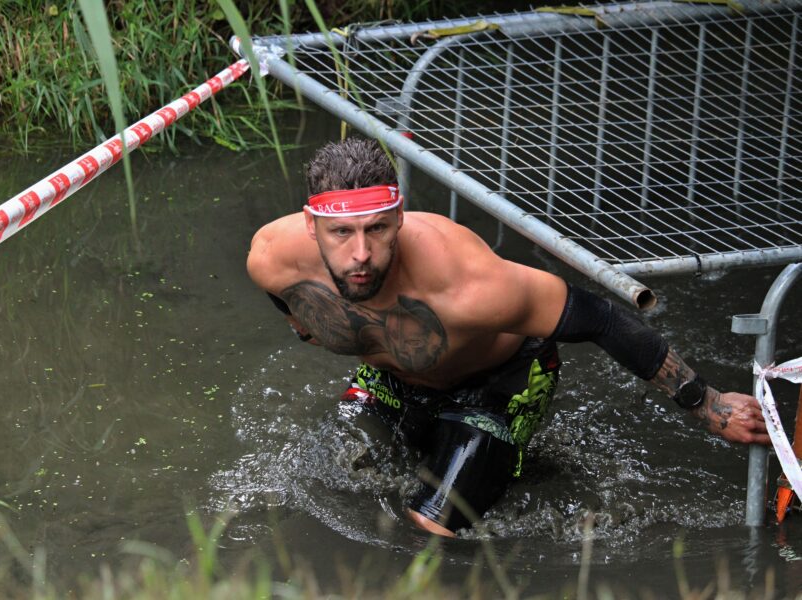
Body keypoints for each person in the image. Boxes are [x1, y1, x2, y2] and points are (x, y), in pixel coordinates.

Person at [246, 137, 770, 538]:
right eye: (342, 233)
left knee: (429, 528)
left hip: (499, 383)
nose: (361, 253)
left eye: (378, 229)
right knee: (331, 470)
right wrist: (301, 324)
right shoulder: (272, 258)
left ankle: (511, 461)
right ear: (312, 226)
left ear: (399, 218)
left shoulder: (468, 283)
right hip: (393, 377)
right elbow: (284, 298)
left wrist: (708, 404)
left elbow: (602, 319)